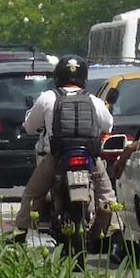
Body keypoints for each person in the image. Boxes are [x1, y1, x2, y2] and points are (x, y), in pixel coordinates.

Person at [14, 55, 116, 245]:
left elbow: (30, 126)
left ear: (58, 76)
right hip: (89, 157)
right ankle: (113, 234)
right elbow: (108, 126)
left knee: (33, 193)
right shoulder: (94, 100)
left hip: (58, 156)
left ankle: (20, 233)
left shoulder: (47, 97)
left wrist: (26, 127)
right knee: (106, 194)